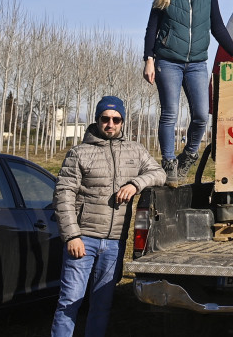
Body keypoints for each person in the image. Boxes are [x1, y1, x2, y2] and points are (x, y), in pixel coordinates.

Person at [51, 96, 166, 337]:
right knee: (69, 302)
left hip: (114, 243)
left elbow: (158, 173)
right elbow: (63, 195)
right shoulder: (79, 153)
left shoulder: (135, 150)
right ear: (97, 120)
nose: (110, 124)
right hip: (83, 240)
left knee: (101, 305)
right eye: (106, 119)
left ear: (123, 121)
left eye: (116, 119)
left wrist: (136, 184)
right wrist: (72, 236)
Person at [143, 0, 233, 185]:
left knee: (202, 115)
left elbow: (218, 28)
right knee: (170, 113)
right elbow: (151, 28)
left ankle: (189, 156)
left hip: (196, 64)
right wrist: (149, 59)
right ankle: (169, 162)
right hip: (168, 61)